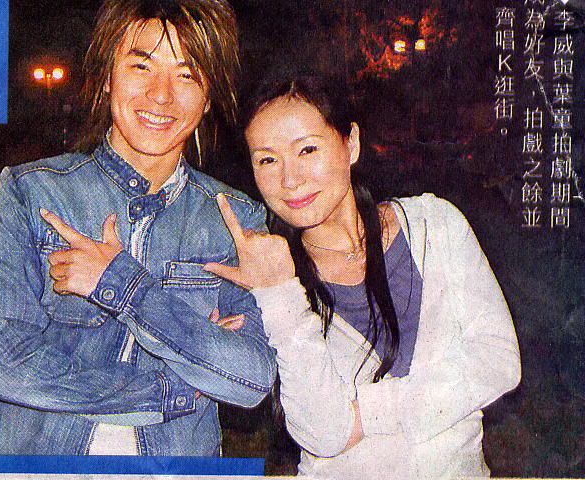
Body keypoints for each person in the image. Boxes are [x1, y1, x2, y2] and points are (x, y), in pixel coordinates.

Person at [0, 0, 275, 456]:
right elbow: (4, 365)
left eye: (187, 74)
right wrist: (170, 390)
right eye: (142, 66)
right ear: (107, 75)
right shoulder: (31, 194)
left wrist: (122, 284)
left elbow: (251, 379)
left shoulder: (234, 220)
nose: (161, 95)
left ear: (208, 98)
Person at [205, 74, 521, 479]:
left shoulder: (434, 225)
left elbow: (499, 361)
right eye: (267, 159)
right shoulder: (268, 281)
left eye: (307, 149)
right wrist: (280, 294)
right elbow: (323, 433)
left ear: (350, 143)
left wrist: (365, 413)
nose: (289, 179)